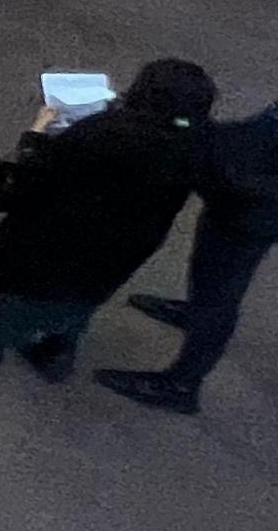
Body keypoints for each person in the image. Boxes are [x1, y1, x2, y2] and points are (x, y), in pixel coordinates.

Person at [0, 62, 211, 374]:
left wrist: (37, 130)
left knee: (21, 296)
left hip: (60, 235)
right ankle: (55, 351)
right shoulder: (195, 144)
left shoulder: (105, 131)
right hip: (124, 245)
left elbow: (39, 173)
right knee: (79, 299)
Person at [102, 99, 278, 413]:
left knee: (219, 296)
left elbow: (250, 173)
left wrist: (205, 148)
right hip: (246, 196)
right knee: (208, 274)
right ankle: (195, 311)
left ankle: (182, 384)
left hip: (251, 216)